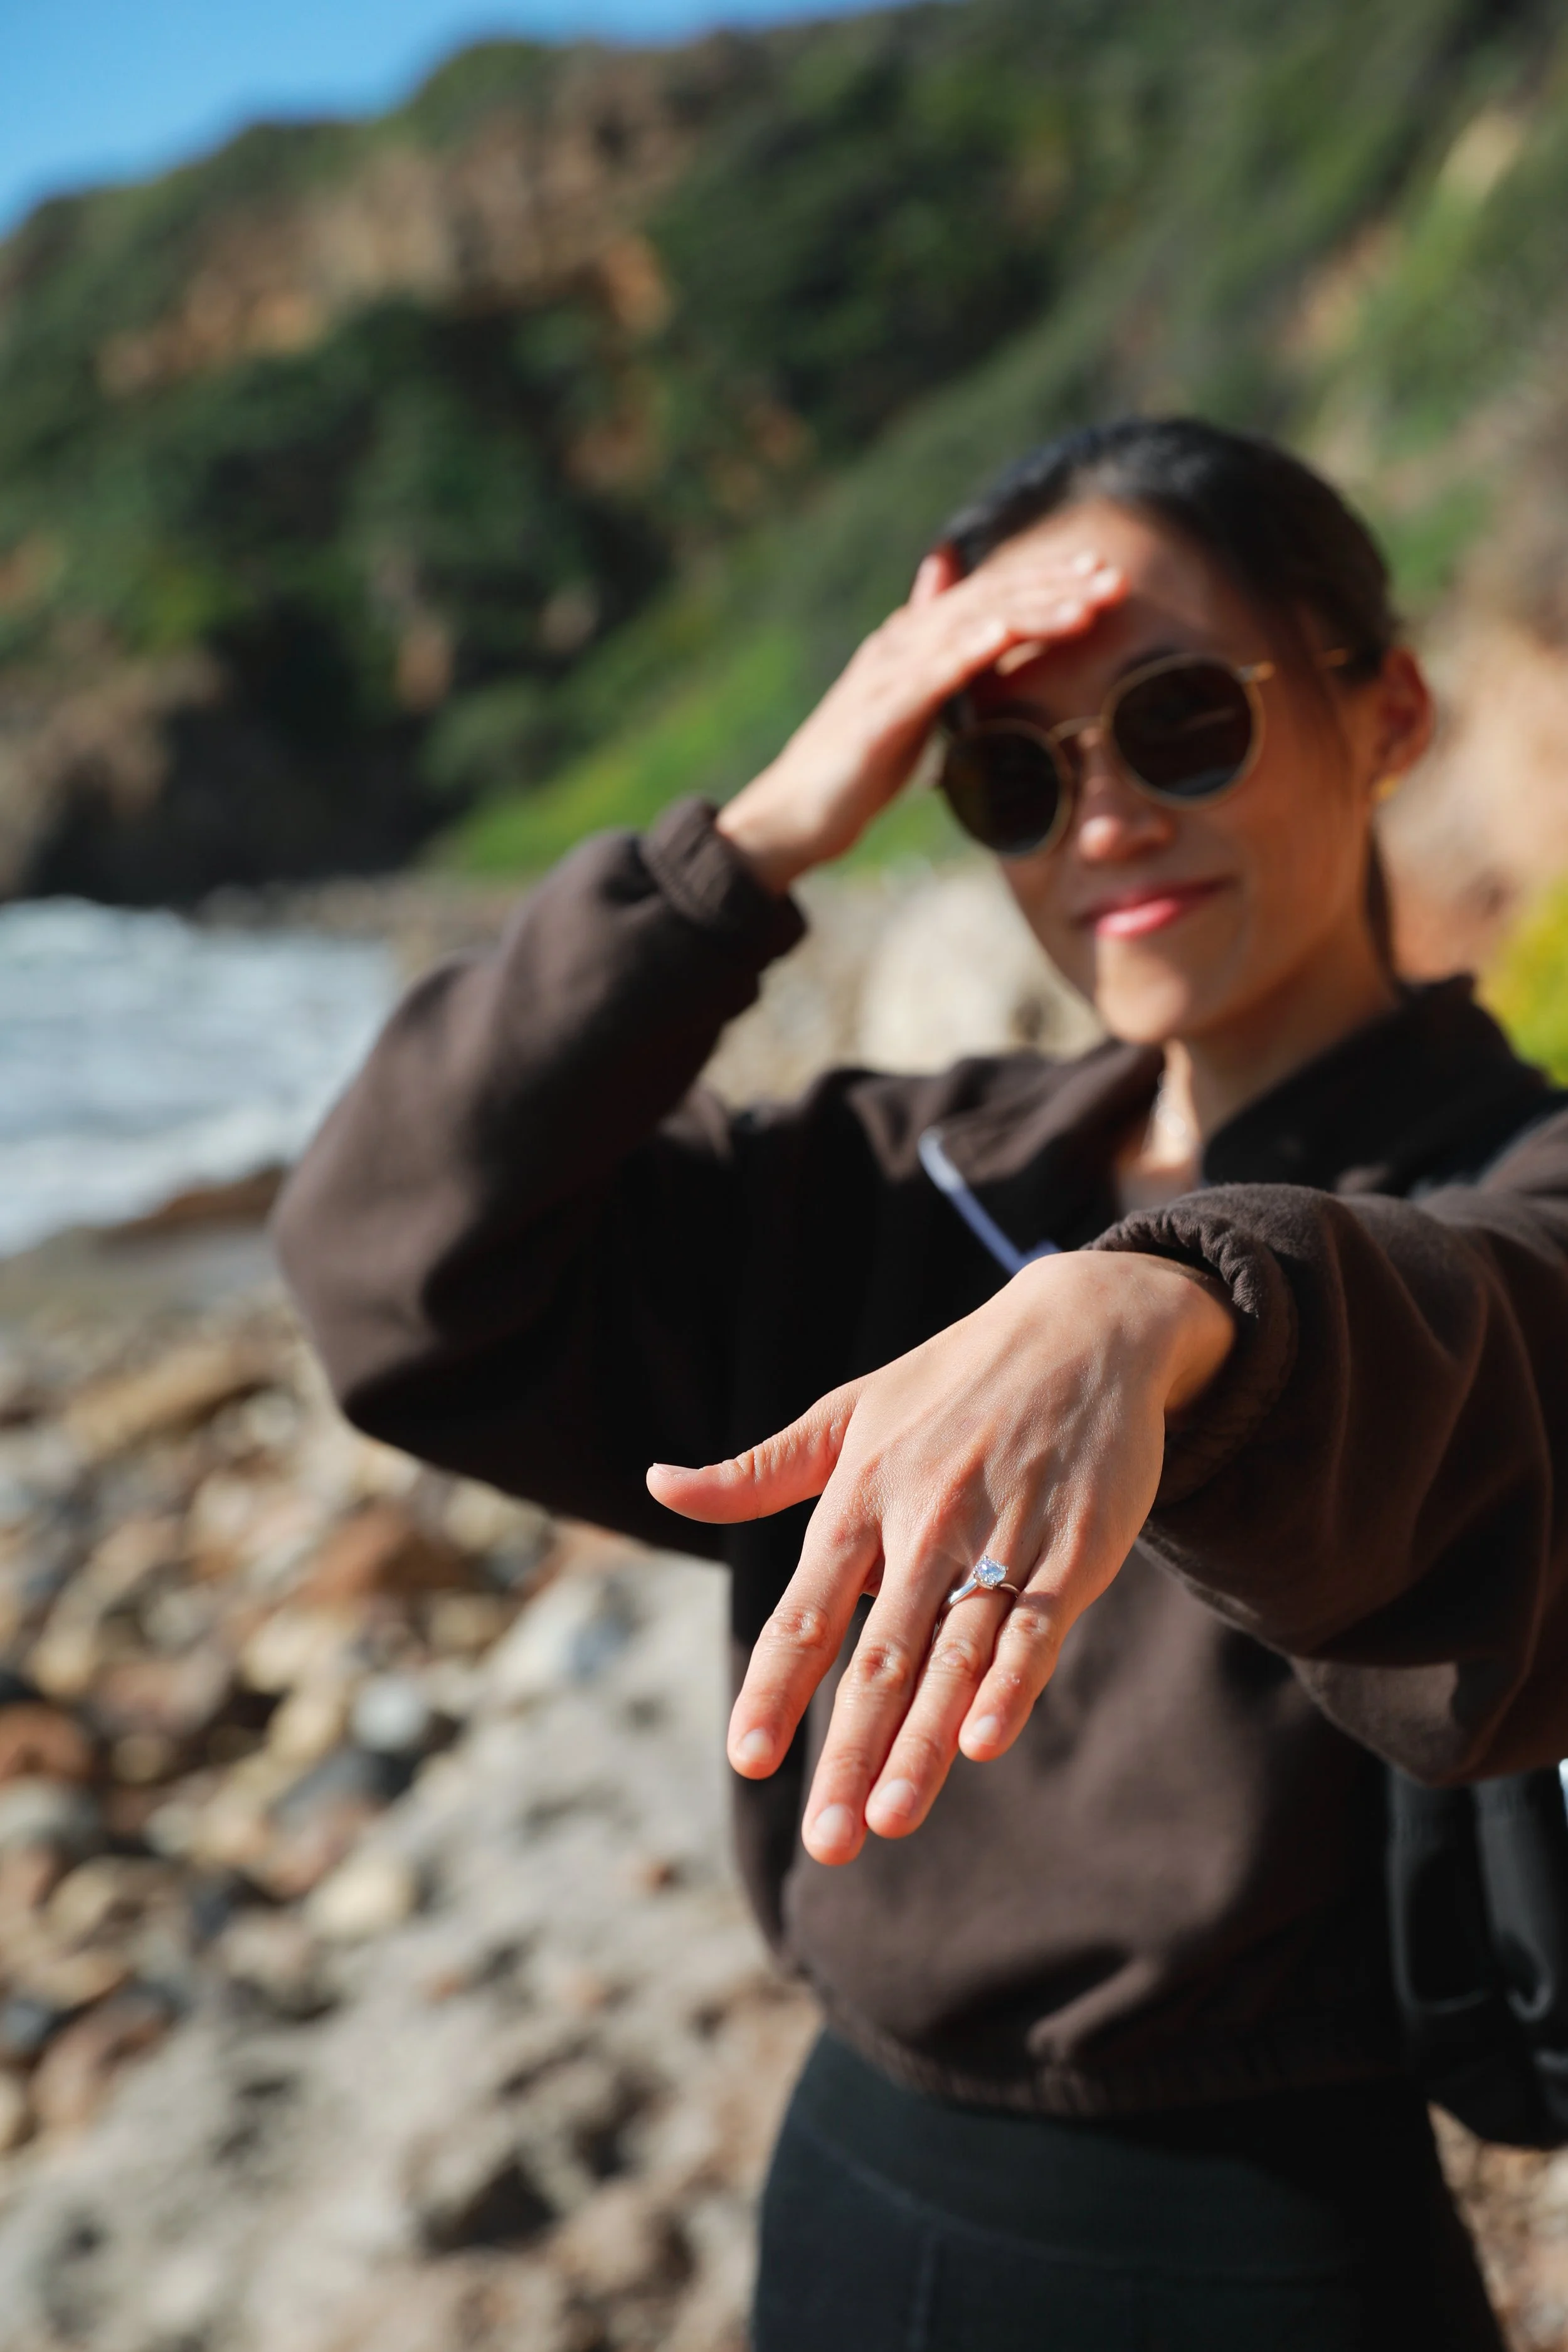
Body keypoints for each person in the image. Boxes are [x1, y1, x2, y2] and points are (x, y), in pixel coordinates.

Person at [273, 417, 1568, 2350]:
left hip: (1256, 2249)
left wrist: (1165, 1309)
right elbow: (394, 1263)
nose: (1102, 817)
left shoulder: (1499, 1181)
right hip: (848, 2179)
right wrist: (757, 841)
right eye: (1006, 772)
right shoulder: (910, 1172)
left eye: (1181, 720)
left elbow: (1482, 1334)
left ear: (1384, 713)